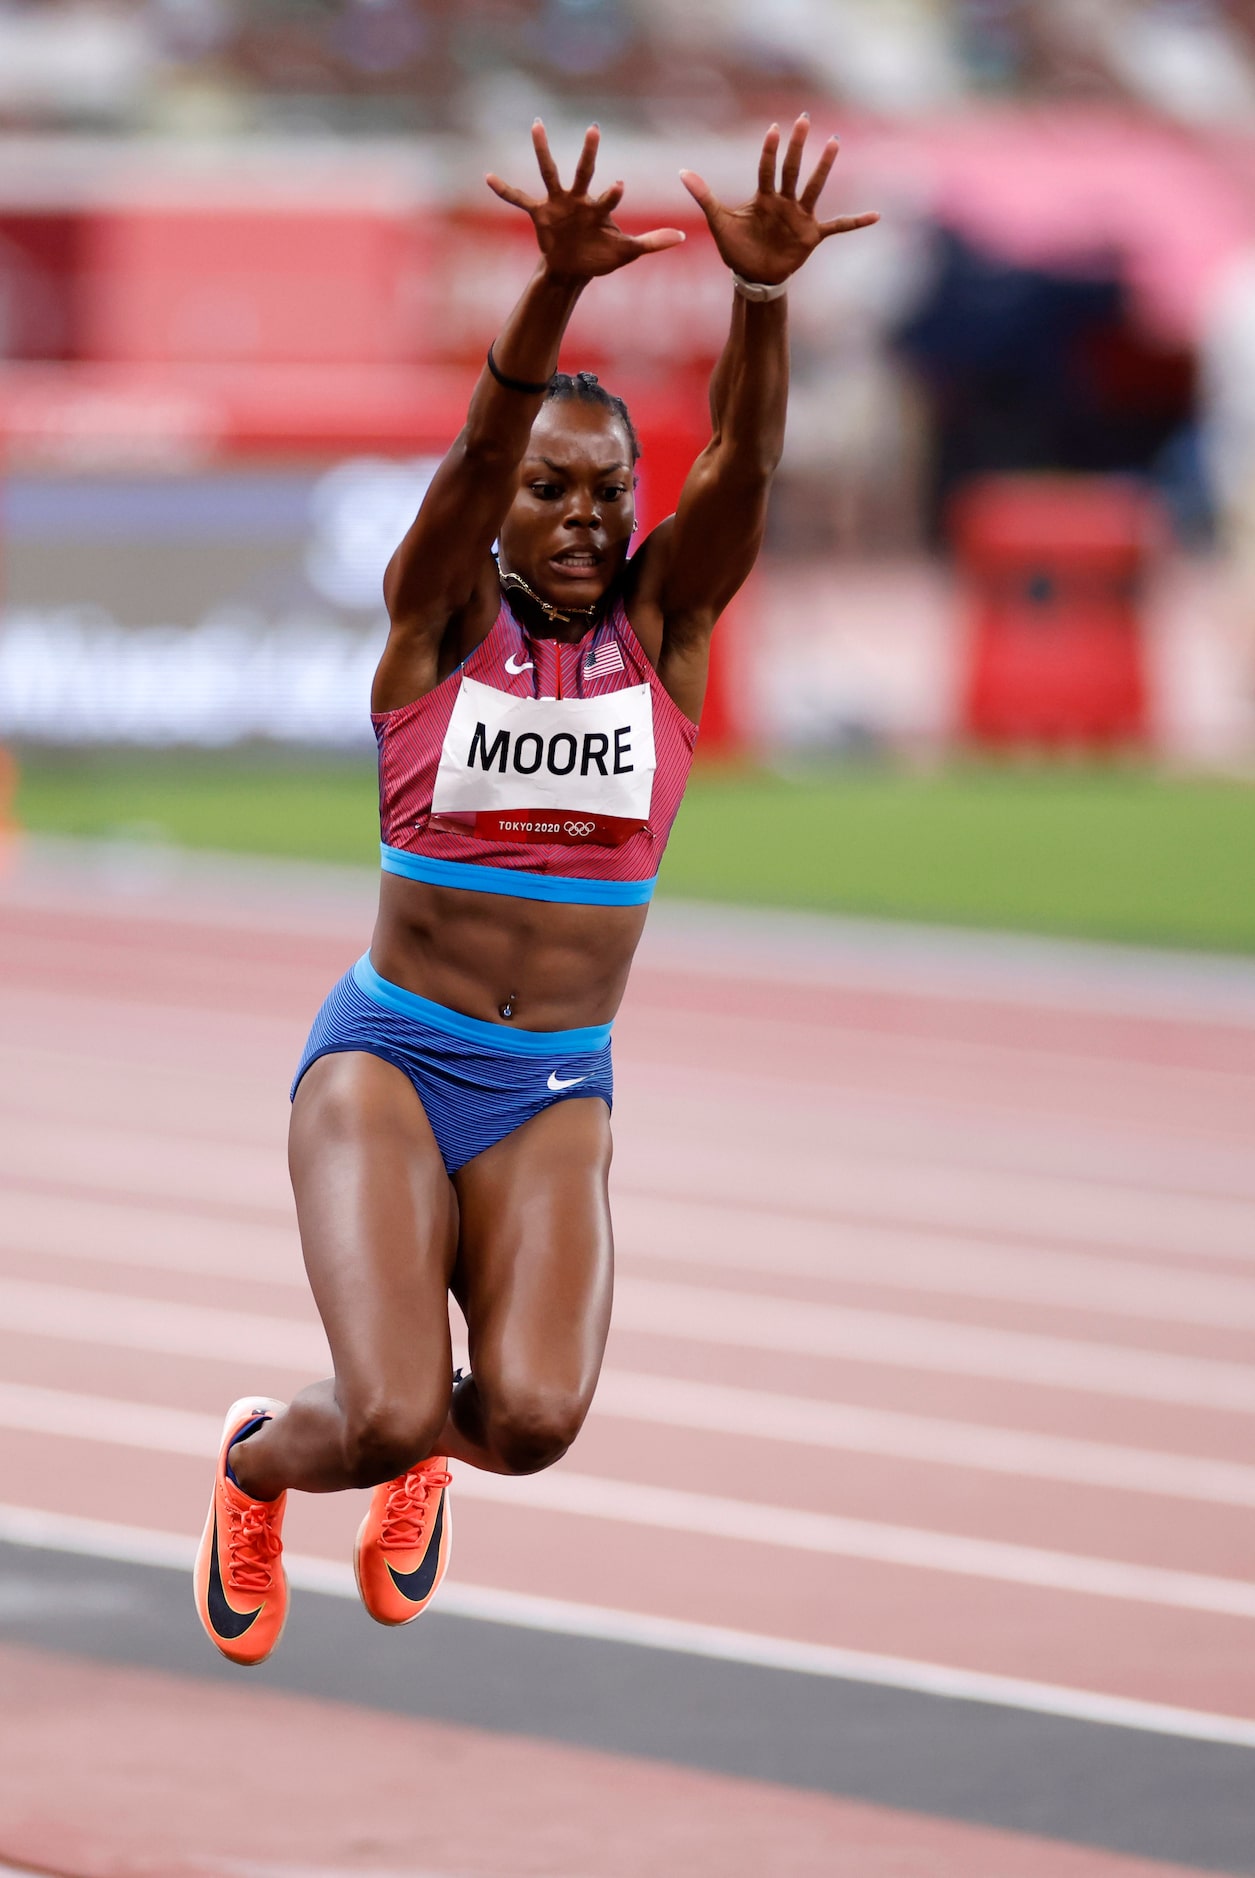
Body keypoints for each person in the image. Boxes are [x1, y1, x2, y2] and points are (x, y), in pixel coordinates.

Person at [195, 115, 876, 1665]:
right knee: (376, 1413)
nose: (583, 515)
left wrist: (758, 305)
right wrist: (552, 297)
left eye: (609, 490)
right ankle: (256, 1460)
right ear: (506, 504)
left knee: (537, 1418)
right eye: (553, 489)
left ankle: (414, 1458)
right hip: (391, 1058)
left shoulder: (670, 635)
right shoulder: (433, 628)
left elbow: (749, 459)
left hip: (553, 1079)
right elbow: (472, 451)